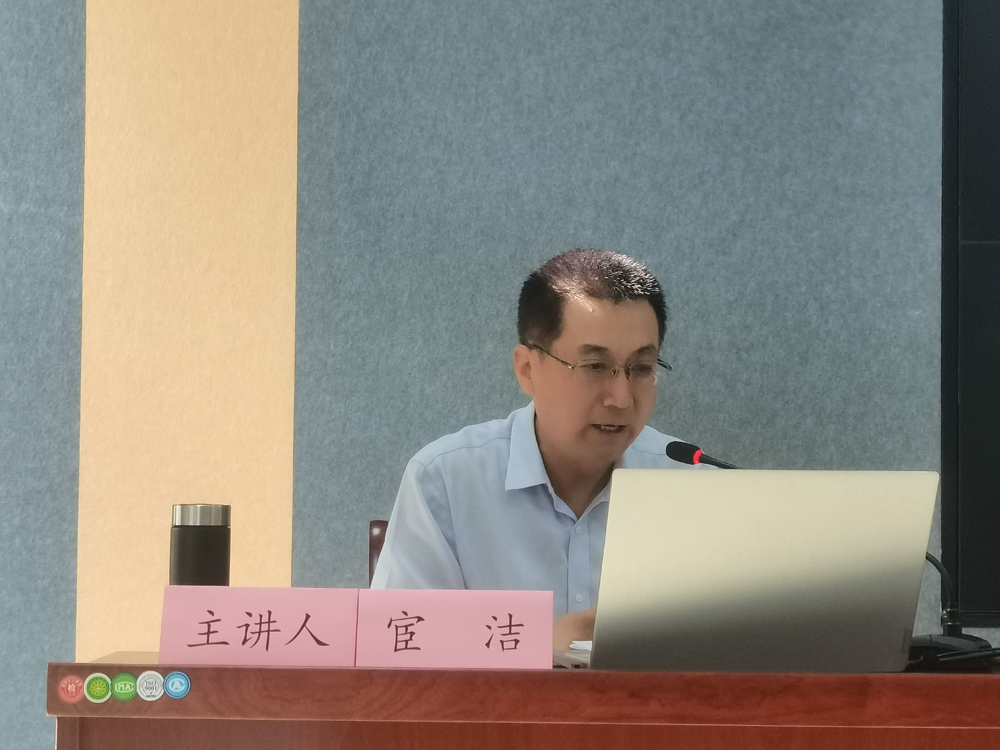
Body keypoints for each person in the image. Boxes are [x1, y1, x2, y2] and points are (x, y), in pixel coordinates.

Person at [370, 248, 704, 646]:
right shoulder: (444, 483)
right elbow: (401, 650)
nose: (621, 398)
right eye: (595, 367)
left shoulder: (696, 486)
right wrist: (543, 645)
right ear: (527, 369)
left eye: (642, 368)